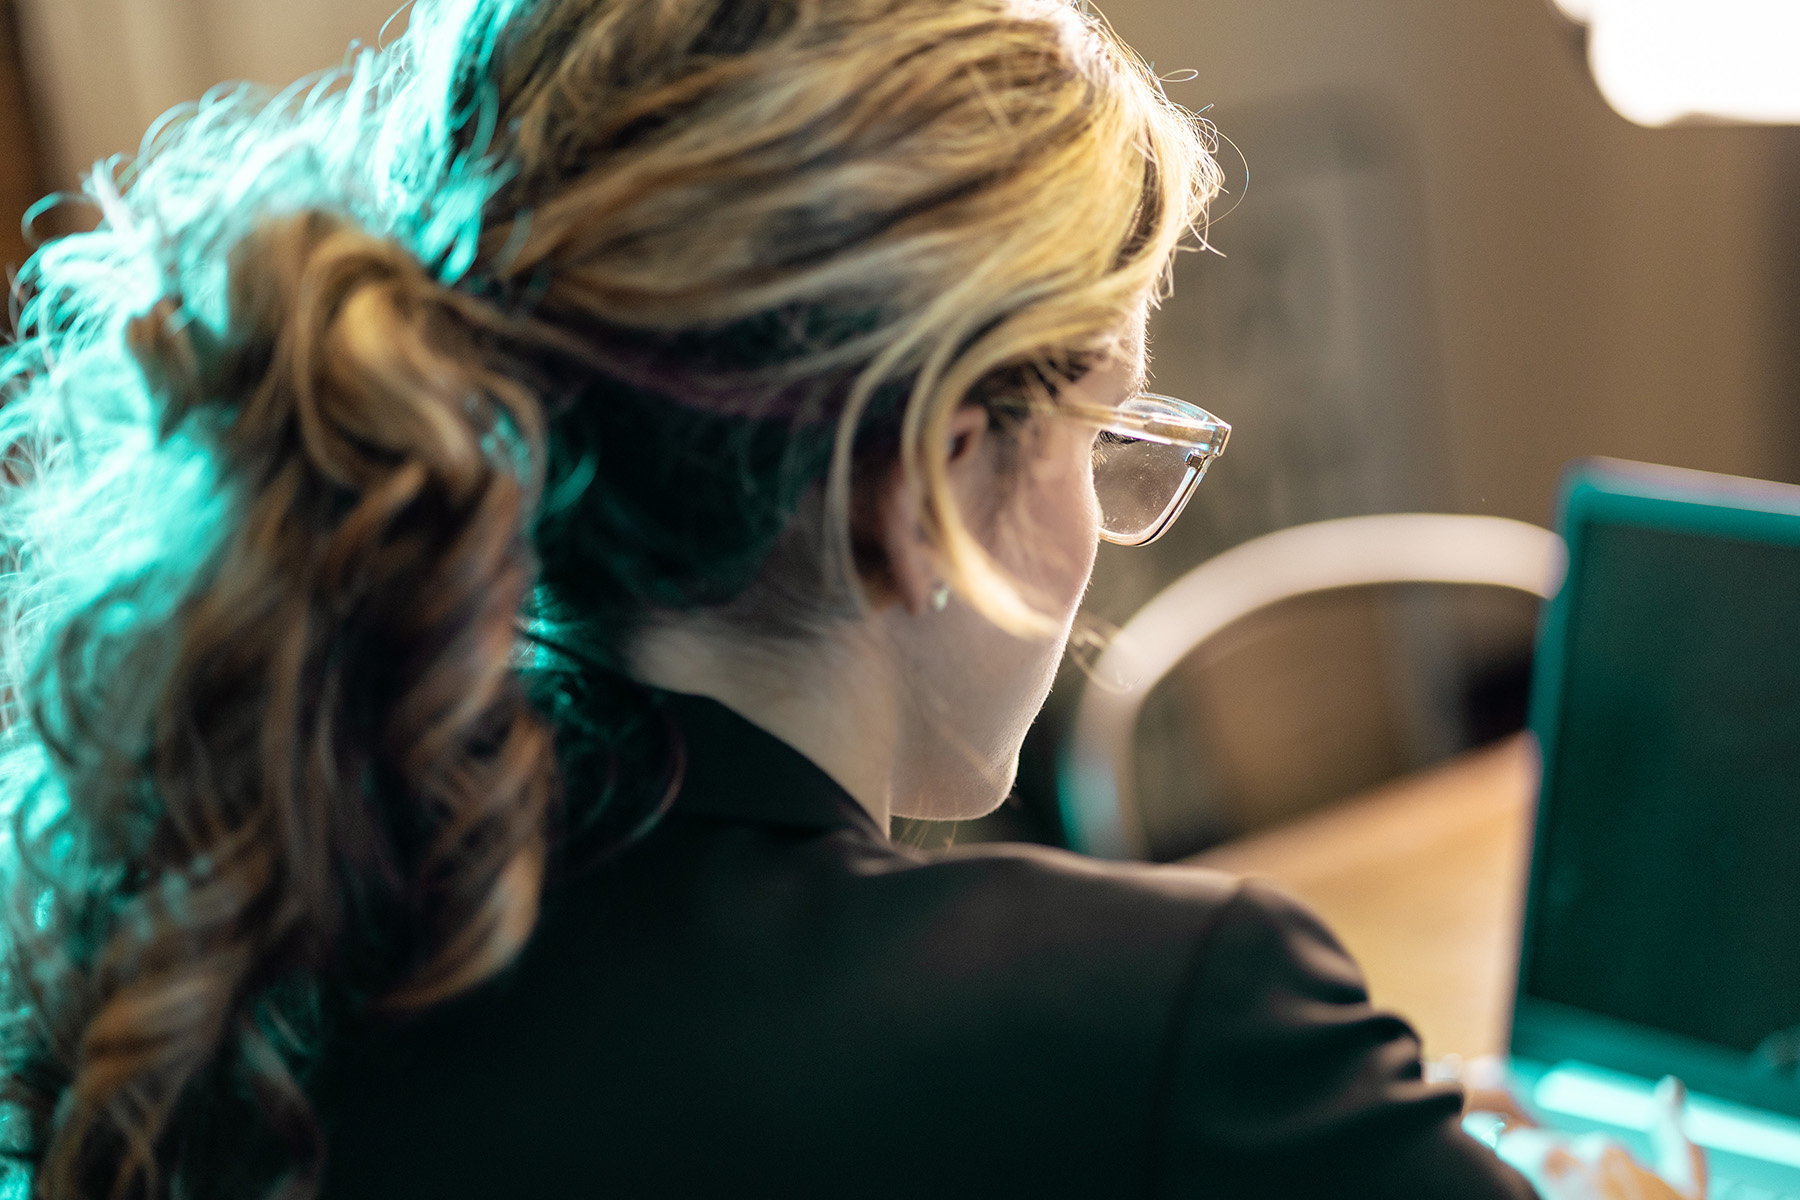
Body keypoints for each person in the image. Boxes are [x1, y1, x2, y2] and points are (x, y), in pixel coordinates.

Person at [0, 0, 1706, 1196]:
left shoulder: (251, 943)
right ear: (938, 471)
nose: (1111, 531)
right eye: (1111, 423)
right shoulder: (1176, 1028)